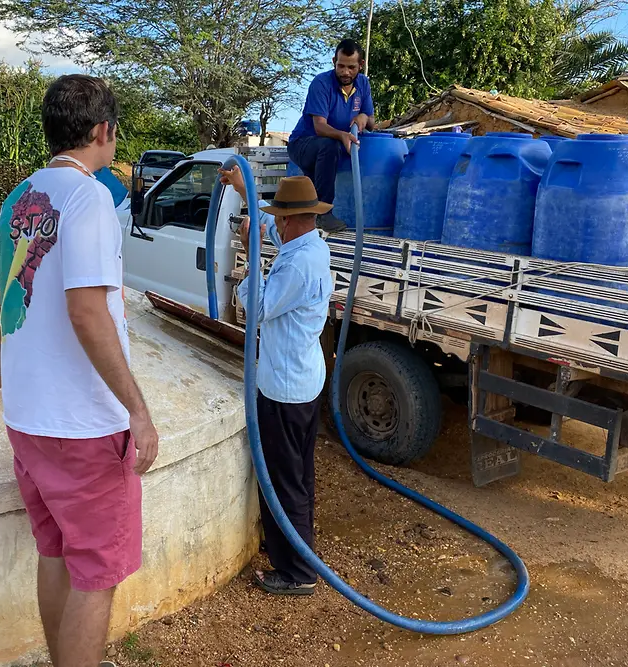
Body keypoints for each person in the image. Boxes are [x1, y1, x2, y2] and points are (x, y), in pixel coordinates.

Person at [0, 74, 159, 667]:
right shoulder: (90, 199)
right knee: (96, 576)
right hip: (82, 428)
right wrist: (137, 410)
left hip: (28, 419)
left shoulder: (18, 199)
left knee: (54, 551)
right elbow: (87, 312)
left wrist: (2, 368)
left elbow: (3, 298)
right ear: (103, 130)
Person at [220, 165, 333, 596]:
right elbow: (272, 233)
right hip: (302, 383)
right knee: (297, 476)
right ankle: (291, 544)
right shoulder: (310, 247)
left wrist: (250, 261)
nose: (275, 224)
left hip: (284, 391)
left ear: (291, 220)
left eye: (278, 218)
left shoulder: (297, 266)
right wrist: (245, 196)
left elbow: (258, 308)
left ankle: (297, 573)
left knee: (285, 481)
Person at [287, 38, 375, 233]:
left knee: (330, 149)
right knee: (329, 146)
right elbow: (320, 127)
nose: (345, 72)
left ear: (361, 65)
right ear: (334, 61)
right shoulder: (321, 83)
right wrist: (343, 135)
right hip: (303, 144)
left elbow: (371, 121)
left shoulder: (363, 84)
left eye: (351, 67)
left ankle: (312, 209)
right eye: (340, 66)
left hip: (330, 148)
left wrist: (362, 116)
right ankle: (323, 213)